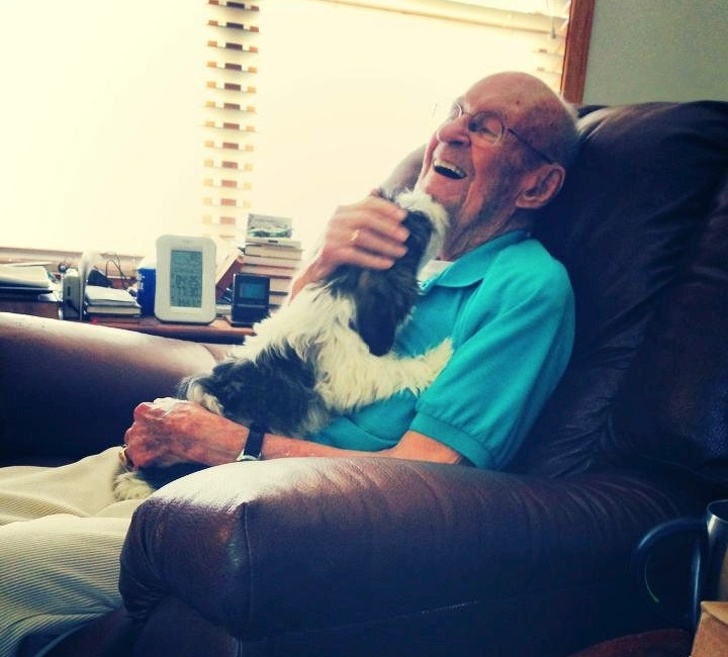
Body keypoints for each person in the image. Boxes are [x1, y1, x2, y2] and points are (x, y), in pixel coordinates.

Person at [0, 71, 579, 656]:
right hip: (186, 469)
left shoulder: (527, 288)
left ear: (536, 185)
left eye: (487, 128)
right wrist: (323, 262)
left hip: (250, 519)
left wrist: (223, 442)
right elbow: (279, 352)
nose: (451, 130)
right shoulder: (405, 250)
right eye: (455, 111)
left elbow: (428, 473)